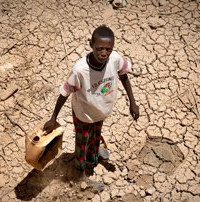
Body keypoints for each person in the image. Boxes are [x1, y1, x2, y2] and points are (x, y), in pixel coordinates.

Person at [43, 26, 139, 188]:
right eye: (99, 48)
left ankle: (93, 155)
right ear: (91, 46)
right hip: (83, 115)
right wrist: (53, 118)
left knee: (96, 134)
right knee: (82, 144)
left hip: (100, 111)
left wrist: (133, 102)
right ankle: (80, 174)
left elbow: (124, 76)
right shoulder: (80, 70)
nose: (104, 53)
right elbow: (64, 94)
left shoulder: (114, 59)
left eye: (108, 49)